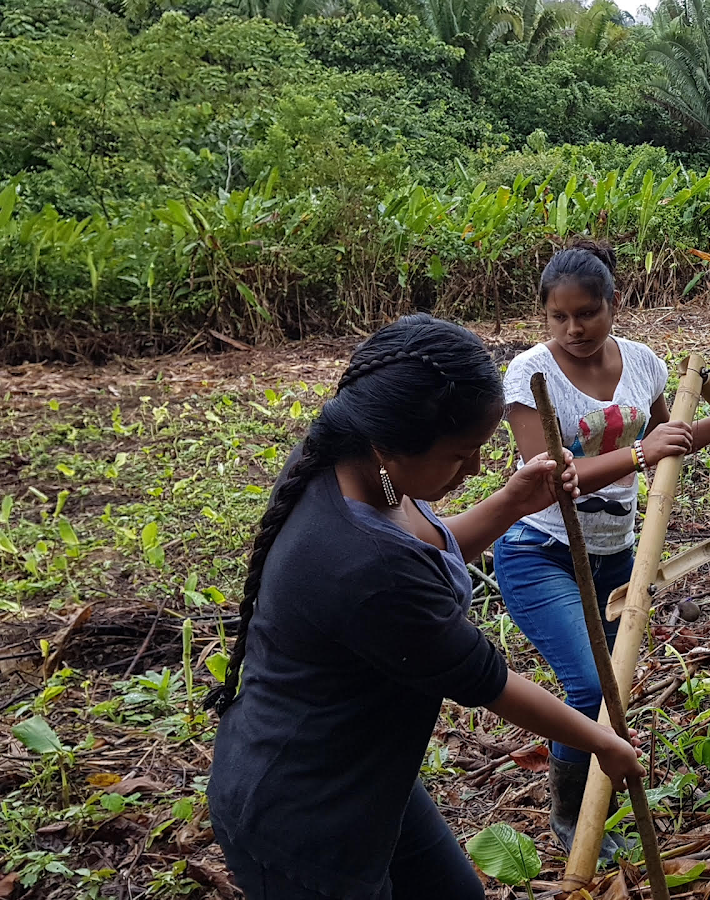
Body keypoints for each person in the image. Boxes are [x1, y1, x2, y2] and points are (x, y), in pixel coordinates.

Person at [206, 314, 645, 900]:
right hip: (305, 818)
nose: (477, 468)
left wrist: (511, 503)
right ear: (389, 447)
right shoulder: (363, 565)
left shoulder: (356, 466)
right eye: (462, 454)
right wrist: (604, 743)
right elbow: (489, 680)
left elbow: (427, 556)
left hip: (368, 772)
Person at [496, 242, 710, 857]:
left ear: (614, 304)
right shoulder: (529, 375)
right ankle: (570, 817)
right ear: (544, 315)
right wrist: (640, 453)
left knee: (612, 690)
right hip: (540, 551)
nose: (573, 329)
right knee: (591, 688)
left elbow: (669, 438)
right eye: (559, 317)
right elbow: (549, 478)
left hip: (617, 555)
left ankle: (600, 800)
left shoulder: (644, 363)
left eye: (587, 313)